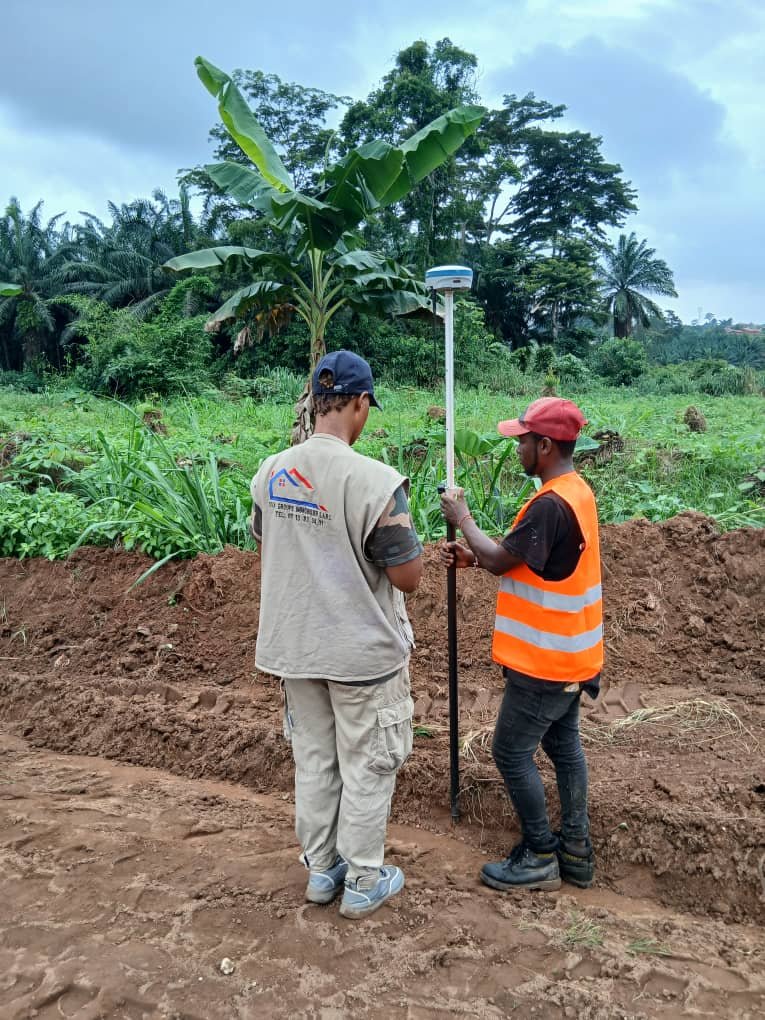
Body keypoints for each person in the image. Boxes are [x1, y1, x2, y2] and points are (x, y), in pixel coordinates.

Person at [250, 350, 423, 919]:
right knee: (370, 759)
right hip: (360, 653)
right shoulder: (374, 482)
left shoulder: (272, 471)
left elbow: (267, 539)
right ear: (355, 403)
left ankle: (323, 870)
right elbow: (407, 576)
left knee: (317, 759)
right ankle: (365, 879)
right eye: (367, 405)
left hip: (297, 649)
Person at [440, 397, 603, 892]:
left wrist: (463, 518)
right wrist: (477, 557)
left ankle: (539, 855)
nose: (518, 446)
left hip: (543, 663)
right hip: (573, 657)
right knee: (563, 746)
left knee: (510, 751)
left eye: (524, 440)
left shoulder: (550, 504)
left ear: (546, 445)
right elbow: (520, 560)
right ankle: (575, 849)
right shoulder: (575, 493)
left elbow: (499, 560)